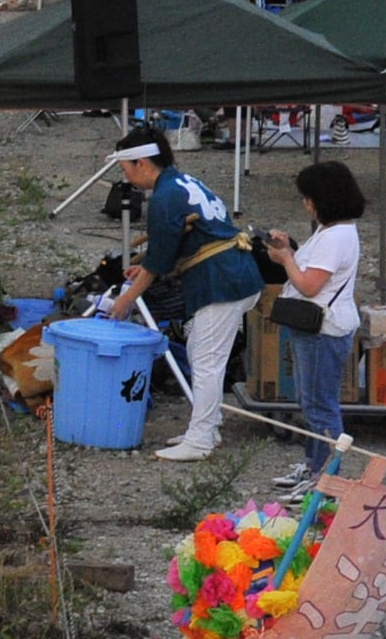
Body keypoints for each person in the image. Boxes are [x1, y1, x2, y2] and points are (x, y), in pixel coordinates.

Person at [97, 123, 264, 463]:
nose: (125, 177)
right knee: (204, 355)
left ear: (142, 164)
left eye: (126, 169)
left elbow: (159, 263)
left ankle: (201, 439)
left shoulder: (164, 197)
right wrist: (145, 262)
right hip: (233, 274)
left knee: (204, 361)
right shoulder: (181, 183)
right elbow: (169, 247)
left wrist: (127, 298)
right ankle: (207, 427)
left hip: (223, 281)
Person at [258, 161, 364, 490]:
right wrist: (289, 247)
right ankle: (314, 466)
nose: (306, 203)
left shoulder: (337, 236)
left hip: (323, 330)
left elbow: (309, 285)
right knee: (312, 401)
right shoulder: (331, 230)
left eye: (309, 197)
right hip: (318, 328)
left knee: (320, 406)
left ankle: (325, 478)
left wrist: (286, 259)